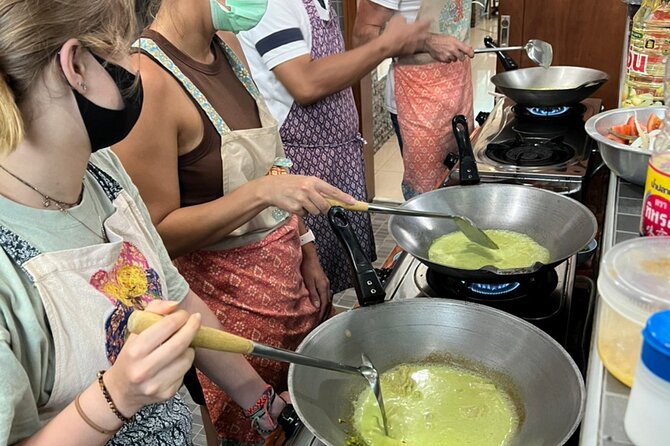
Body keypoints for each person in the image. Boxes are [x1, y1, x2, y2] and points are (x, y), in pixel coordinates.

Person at [0, 0, 315, 444]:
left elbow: (177, 296)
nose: (136, 64)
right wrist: (117, 396)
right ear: (75, 66)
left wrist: (262, 403)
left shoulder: (103, 171)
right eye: (125, 50)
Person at [112, 1, 356, 444]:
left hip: (289, 287)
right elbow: (156, 233)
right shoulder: (147, 79)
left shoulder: (226, 47)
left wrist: (307, 248)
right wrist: (258, 194)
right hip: (228, 313)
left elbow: (274, 161)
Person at [237, 0, 430, 293]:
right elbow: (305, 84)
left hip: (335, 158)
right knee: (309, 280)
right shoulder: (275, 4)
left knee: (341, 272)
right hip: (301, 162)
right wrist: (386, 45)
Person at [354, 0, 475, 199]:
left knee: (460, 186)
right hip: (418, 99)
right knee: (428, 199)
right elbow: (363, 38)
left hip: (459, 92)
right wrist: (426, 42)